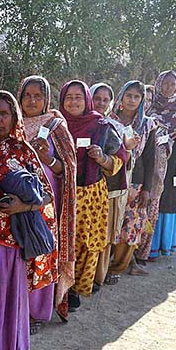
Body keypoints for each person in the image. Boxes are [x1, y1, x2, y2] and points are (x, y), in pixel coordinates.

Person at [0, 90, 57, 350]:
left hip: (8, 241)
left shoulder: (23, 151)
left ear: (14, 118)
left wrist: (21, 205)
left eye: (4, 114)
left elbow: (46, 194)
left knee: (1, 301)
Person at [60, 81, 126, 306]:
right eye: (69, 97)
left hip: (90, 194)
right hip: (61, 192)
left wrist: (102, 158)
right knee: (61, 242)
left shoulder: (101, 126)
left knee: (86, 243)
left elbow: (119, 160)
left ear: (86, 99)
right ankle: (56, 291)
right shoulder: (55, 124)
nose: (73, 101)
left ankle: (76, 289)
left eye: (79, 97)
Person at [17, 76, 77, 322]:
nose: (32, 101)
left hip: (45, 205)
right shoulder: (10, 121)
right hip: (15, 202)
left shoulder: (56, 126)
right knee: (19, 254)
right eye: (27, 96)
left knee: (40, 252)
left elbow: (69, 168)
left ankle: (37, 312)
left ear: (46, 99)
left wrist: (48, 160)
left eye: (38, 96)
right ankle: (17, 307)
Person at [109, 81, 157, 278]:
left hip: (135, 183)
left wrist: (147, 188)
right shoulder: (109, 121)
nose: (132, 100)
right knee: (112, 224)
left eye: (137, 97)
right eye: (128, 95)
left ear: (142, 100)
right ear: (121, 97)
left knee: (130, 225)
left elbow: (149, 158)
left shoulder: (147, 124)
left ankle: (118, 268)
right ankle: (104, 266)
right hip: (112, 180)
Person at [145, 71, 176, 258]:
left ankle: (166, 244)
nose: (169, 88)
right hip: (153, 159)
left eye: (173, 84)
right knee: (153, 198)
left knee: (170, 200)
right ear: (158, 84)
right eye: (165, 84)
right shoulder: (150, 103)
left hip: (174, 162)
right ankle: (150, 246)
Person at [89, 83, 126, 286]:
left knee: (100, 235)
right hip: (76, 190)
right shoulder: (70, 122)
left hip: (105, 189)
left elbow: (120, 158)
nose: (101, 104)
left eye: (105, 100)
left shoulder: (111, 127)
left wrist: (103, 159)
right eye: (97, 99)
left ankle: (96, 277)